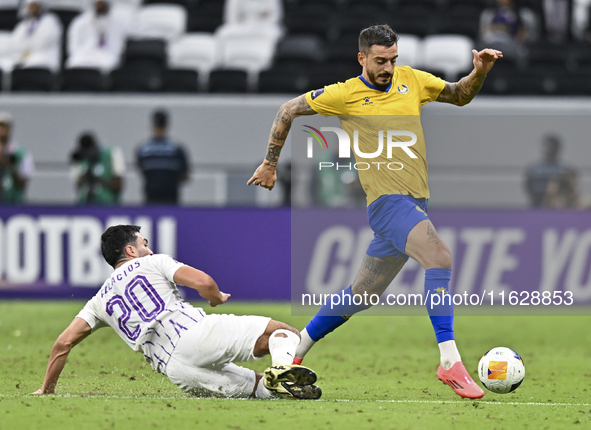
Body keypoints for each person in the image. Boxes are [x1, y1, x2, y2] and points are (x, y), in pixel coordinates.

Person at [248, 24, 503, 399]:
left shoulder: (411, 81)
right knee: (440, 257)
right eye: (380, 61)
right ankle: (449, 361)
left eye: (393, 59)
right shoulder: (345, 94)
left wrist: (478, 72)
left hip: (414, 203)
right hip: (387, 203)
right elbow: (287, 110)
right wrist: (270, 163)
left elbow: (459, 95)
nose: (388, 67)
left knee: (362, 294)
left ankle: (292, 354)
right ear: (362, 58)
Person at [32, 225, 322, 399]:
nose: (149, 247)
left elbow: (63, 344)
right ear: (131, 251)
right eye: (143, 243)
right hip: (194, 335)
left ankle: (281, 383)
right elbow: (203, 282)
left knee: (258, 388)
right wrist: (215, 297)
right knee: (283, 333)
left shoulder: (98, 301)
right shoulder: (152, 262)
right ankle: (283, 365)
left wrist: (47, 389)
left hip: (176, 370)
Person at [136, 109, 190, 205]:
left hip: (162, 198)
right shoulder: (176, 150)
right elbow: (185, 176)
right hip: (160, 198)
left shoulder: (143, 150)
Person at [66, 0, 128, 73]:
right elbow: (73, 47)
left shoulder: (117, 24)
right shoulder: (80, 22)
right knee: (73, 62)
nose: (100, 5)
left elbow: (118, 48)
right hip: (83, 56)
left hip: (106, 56)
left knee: (110, 63)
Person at [0, 0, 62, 73]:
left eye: (35, 6)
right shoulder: (25, 24)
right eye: (30, 6)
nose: (32, 8)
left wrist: (26, 45)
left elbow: (43, 42)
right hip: (26, 56)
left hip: (44, 57)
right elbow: (16, 42)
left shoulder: (50, 21)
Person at [525, 135, 581, 208]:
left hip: (560, 207)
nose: (549, 152)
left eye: (552, 148)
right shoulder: (534, 169)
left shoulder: (566, 169)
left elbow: (572, 189)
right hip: (537, 205)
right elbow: (528, 185)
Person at [70, 132, 125, 205]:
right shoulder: (81, 159)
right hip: (84, 203)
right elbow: (78, 184)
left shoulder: (110, 154)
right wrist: (86, 175)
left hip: (108, 204)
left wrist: (97, 179)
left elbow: (118, 184)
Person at [0, 111, 34, 204]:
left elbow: (23, 184)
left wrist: (9, 165)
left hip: (14, 203)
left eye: (5, 126)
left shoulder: (21, 153)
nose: (2, 130)